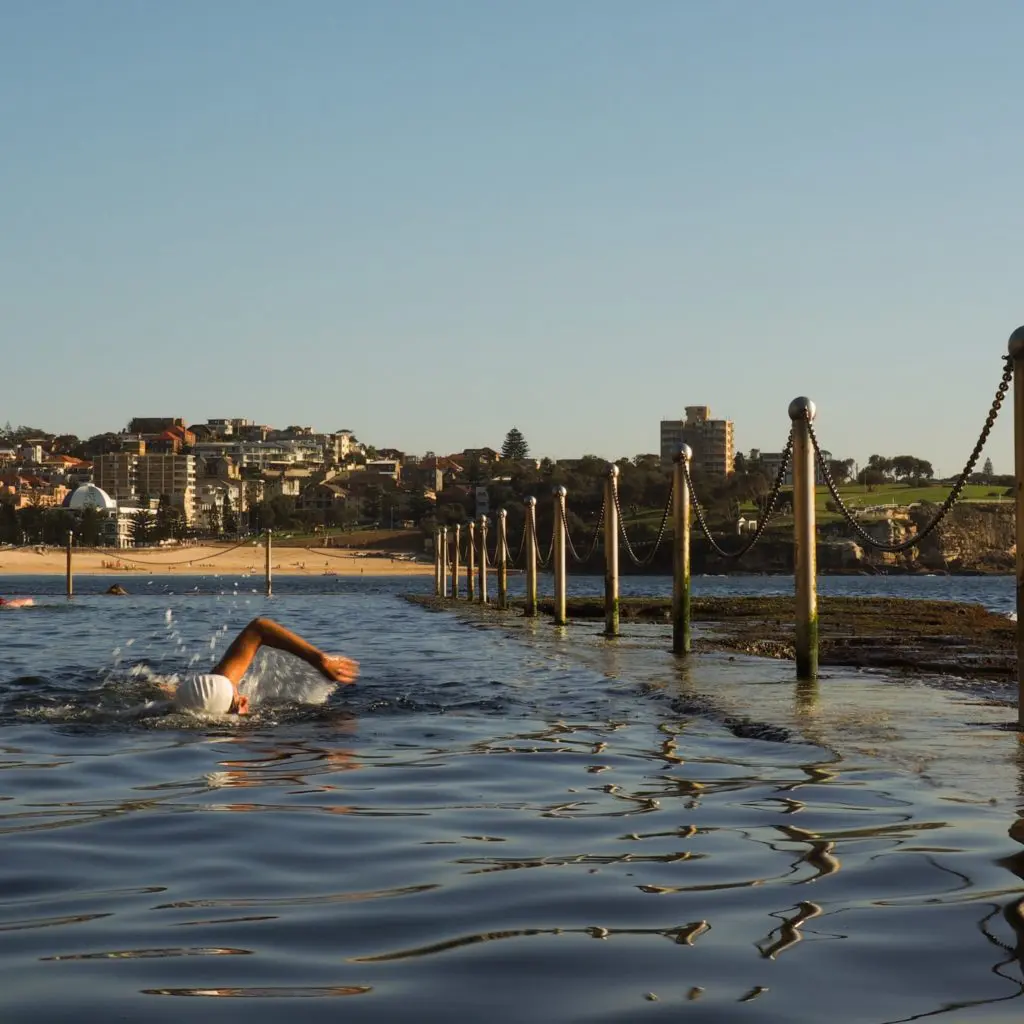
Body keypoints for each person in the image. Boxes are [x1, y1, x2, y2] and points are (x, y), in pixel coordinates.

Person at [172, 616, 359, 715]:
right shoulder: (245, 736)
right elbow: (259, 626)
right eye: (237, 696)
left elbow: (259, 628)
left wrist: (320, 660)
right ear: (242, 704)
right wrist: (320, 660)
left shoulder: (193, 699)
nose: (243, 697)